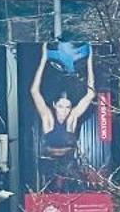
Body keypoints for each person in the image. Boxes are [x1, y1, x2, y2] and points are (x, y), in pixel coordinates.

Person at [30, 44, 96, 190]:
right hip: (52, 163)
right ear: (54, 105)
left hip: (67, 162)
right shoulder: (48, 118)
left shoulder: (72, 118)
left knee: (69, 184)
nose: (64, 110)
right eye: (61, 106)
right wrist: (43, 59)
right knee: (52, 186)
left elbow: (90, 94)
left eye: (67, 107)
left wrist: (90, 60)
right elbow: (34, 91)